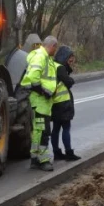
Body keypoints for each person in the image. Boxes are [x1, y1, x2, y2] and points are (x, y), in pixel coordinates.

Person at [24, 36, 59, 171]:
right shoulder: (40, 57)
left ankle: (34, 158)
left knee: (38, 131)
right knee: (43, 131)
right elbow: (33, 78)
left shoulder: (45, 57)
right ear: (52, 46)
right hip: (40, 102)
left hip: (42, 103)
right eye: (55, 48)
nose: (55, 51)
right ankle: (43, 160)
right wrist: (44, 92)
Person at [51, 45, 80, 162]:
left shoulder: (53, 65)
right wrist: (71, 79)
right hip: (63, 103)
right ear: (64, 56)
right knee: (66, 128)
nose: (72, 59)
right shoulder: (61, 68)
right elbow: (68, 81)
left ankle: (56, 152)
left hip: (54, 102)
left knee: (56, 129)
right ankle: (69, 153)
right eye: (70, 56)